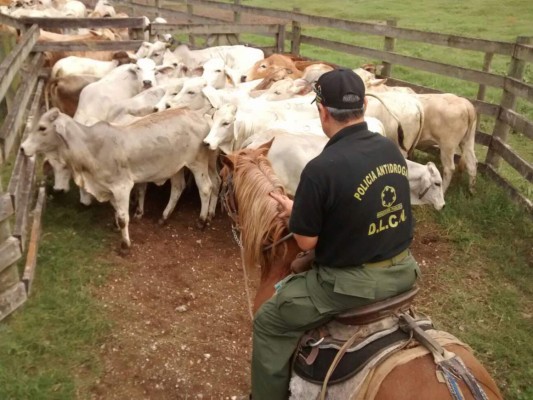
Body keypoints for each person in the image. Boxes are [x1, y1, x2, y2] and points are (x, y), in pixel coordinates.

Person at [250, 68, 421, 400]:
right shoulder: (390, 151)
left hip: (350, 287)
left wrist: (297, 213)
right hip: (404, 271)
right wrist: (303, 207)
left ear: (322, 111)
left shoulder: (320, 168)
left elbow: (306, 242)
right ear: (364, 108)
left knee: (269, 321)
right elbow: (362, 203)